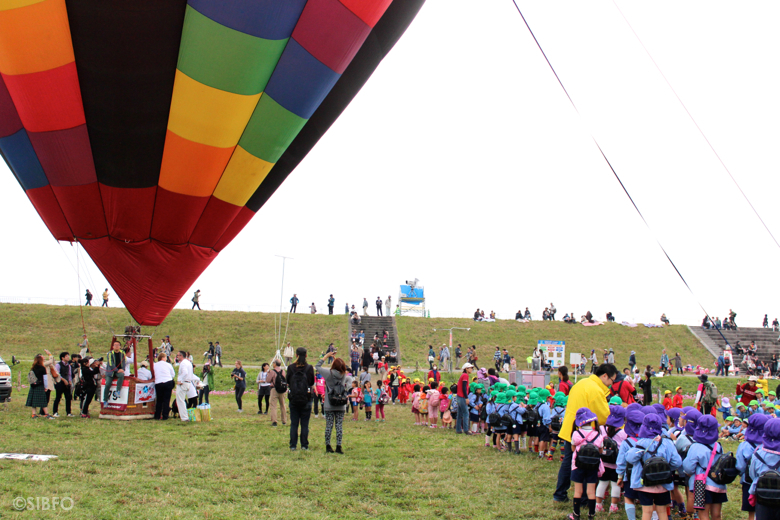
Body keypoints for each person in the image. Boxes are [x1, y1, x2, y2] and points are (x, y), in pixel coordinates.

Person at [554, 363, 618, 504]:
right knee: (586, 463)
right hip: (585, 433)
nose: (611, 385)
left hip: (571, 429)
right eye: (611, 380)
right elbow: (603, 416)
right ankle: (583, 499)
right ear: (605, 376)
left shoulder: (583, 382)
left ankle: (560, 494)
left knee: (568, 462)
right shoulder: (596, 390)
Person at [626, 414, 682, 520]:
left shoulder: (641, 443)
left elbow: (630, 458)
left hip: (644, 484)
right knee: (662, 512)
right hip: (663, 483)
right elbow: (677, 462)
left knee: (647, 512)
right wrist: (666, 468)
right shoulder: (668, 443)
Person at [683, 415, 727, 520]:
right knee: (716, 514)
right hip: (718, 483)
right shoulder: (718, 446)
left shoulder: (695, 447)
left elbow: (688, 467)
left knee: (703, 514)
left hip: (701, 484)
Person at [568, 407, 604, 520]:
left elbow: (573, 449)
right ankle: (591, 515)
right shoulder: (598, 435)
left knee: (578, 491)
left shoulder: (576, 434)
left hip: (578, 465)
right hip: (593, 466)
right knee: (591, 491)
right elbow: (601, 451)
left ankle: (576, 514)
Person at [317, 351, 352, 454]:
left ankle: (328, 446)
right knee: (339, 426)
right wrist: (337, 361)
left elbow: (317, 366)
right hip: (341, 403)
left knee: (329, 425)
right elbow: (340, 368)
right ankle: (339, 446)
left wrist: (327, 356)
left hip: (329, 403)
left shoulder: (329, 373)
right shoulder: (343, 375)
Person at [287, 347, 315, 451]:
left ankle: (293, 445)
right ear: (306, 355)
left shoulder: (291, 368)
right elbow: (311, 382)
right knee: (304, 424)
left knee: (294, 423)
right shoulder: (309, 368)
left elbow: (288, 381)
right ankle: (304, 445)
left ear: (296, 355)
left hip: (294, 398)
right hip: (306, 398)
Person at [26, 354, 52, 419]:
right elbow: (45, 378)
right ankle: (46, 414)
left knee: (33, 401)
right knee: (43, 401)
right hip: (40, 385)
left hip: (33, 385)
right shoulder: (42, 368)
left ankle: (34, 414)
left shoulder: (33, 367)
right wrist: (46, 386)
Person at [52, 351, 73, 418]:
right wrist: (64, 380)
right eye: (66, 356)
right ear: (62, 358)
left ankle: (68, 412)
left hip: (67, 383)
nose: (68, 357)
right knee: (58, 397)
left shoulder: (68, 365)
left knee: (68, 398)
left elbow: (69, 374)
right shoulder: (58, 365)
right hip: (60, 383)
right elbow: (57, 374)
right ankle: (55, 412)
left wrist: (69, 381)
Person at [174, 351, 194, 423]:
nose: (177, 357)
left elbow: (185, 372)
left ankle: (184, 417)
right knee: (182, 400)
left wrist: (180, 380)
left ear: (181, 356)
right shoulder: (188, 362)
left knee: (180, 400)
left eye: (178, 355)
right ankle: (184, 416)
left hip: (183, 383)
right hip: (187, 382)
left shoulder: (183, 363)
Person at [154, 352, 175, 420]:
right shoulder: (168, 365)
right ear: (163, 358)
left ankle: (157, 415)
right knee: (166, 399)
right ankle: (165, 415)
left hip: (159, 383)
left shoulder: (155, 365)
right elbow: (173, 374)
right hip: (168, 382)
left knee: (159, 400)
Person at [266, 360, 287, 426]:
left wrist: (268, 374)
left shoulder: (272, 371)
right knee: (282, 405)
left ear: (275, 364)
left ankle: (274, 421)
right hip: (282, 389)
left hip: (274, 389)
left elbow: (268, 380)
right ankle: (284, 420)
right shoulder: (283, 371)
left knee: (273, 405)